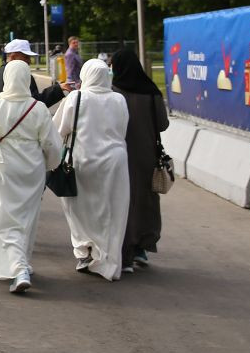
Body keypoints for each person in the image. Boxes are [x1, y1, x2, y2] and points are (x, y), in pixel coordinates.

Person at [0, 60, 63, 294]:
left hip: (2, 166)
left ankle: (18, 267)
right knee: (26, 218)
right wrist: (52, 164)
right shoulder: (38, 108)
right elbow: (51, 143)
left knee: (3, 217)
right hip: (31, 168)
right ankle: (21, 261)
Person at [56, 58, 131, 280]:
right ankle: (107, 257)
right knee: (111, 210)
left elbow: (60, 128)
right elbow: (123, 128)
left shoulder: (77, 97)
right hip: (115, 162)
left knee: (79, 208)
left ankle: (85, 249)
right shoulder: (119, 99)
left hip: (83, 159)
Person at [110, 47, 169, 271]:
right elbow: (162, 124)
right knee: (146, 201)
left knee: (122, 200)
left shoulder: (114, 92)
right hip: (146, 155)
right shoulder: (152, 91)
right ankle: (143, 246)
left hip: (120, 152)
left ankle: (124, 247)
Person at [0, 38, 65, 120]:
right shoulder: (25, 78)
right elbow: (34, 106)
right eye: (26, 57)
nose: (29, 61)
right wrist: (58, 90)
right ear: (13, 57)